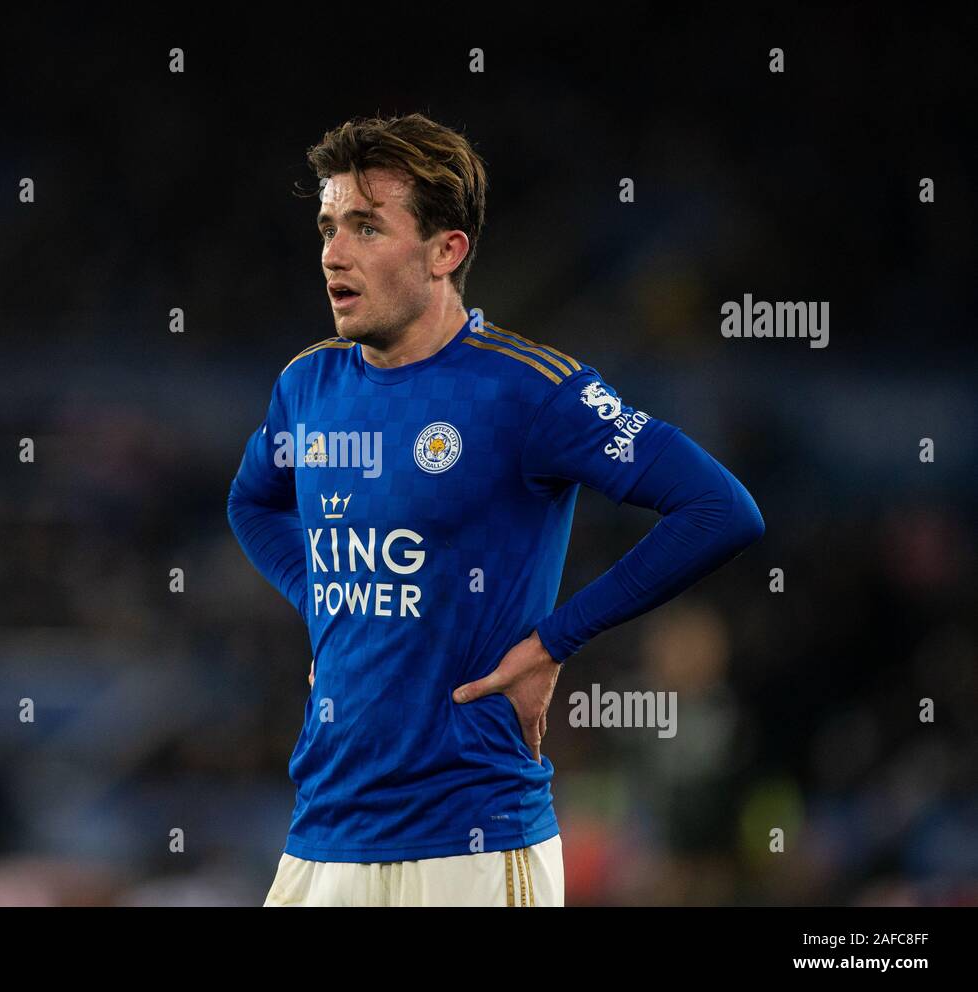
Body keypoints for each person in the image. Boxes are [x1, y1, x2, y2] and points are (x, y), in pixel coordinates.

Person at [227, 113, 764, 906]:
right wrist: (323, 608)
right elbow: (251, 502)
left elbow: (720, 508)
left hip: (472, 848)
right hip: (321, 842)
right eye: (329, 226)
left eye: (367, 227)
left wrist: (555, 640)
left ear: (447, 250)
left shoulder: (529, 390)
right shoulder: (307, 386)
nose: (333, 253)